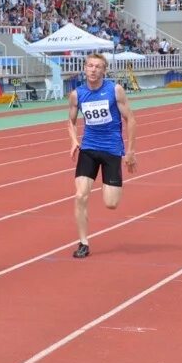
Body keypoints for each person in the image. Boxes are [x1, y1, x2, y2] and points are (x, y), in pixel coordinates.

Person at [67, 53, 137, 259]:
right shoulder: (77, 95)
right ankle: (83, 243)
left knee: (111, 203)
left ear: (104, 70)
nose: (93, 70)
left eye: (98, 66)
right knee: (80, 196)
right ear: (85, 69)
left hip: (111, 150)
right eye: (90, 66)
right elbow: (70, 121)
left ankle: (108, 183)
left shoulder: (115, 90)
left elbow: (130, 120)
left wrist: (130, 151)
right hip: (88, 149)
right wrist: (73, 140)